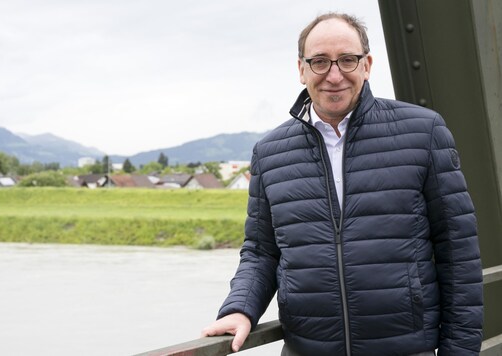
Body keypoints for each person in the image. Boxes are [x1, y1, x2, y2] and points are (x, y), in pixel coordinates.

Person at [201, 12, 483, 356]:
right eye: (319, 61)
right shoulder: (269, 152)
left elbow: (458, 253)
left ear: (367, 65)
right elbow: (261, 251)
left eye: (347, 60)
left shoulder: (423, 132)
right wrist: (240, 307)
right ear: (301, 69)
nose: (334, 75)